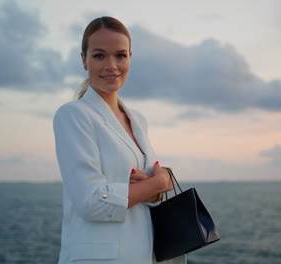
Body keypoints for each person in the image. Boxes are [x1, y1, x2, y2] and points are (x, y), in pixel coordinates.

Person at [53, 16, 186, 264]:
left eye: (120, 55)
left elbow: (149, 194)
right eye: (100, 55)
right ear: (84, 59)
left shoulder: (138, 120)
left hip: (143, 255)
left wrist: (156, 187)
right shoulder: (73, 115)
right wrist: (157, 184)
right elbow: (92, 202)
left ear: (130, 58)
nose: (111, 65)